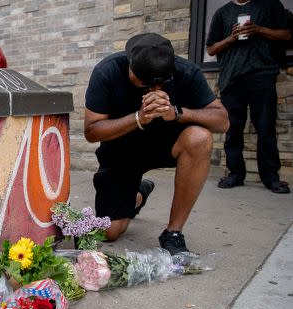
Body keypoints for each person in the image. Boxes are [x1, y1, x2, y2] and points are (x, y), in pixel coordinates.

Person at [84, 33, 229, 255]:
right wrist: (138, 118)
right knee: (109, 232)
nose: (154, 89)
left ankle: (173, 232)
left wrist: (177, 113)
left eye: (162, 82)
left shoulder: (186, 71)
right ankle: (139, 194)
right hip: (121, 151)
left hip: (167, 146)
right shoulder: (107, 71)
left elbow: (222, 121)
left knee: (200, 138)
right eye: (145, 82)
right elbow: (91, 131)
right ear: (130, 67)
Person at [206, 0, 292, 194]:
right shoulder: (222, 13)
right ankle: (235, 173)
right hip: (232, 78)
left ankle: (271, 177)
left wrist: (259, 29)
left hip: (261, 75)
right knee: (233, 129)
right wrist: (231, 38)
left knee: (265, 128)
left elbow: (286, 34)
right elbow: (211, 49)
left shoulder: (269, 5)